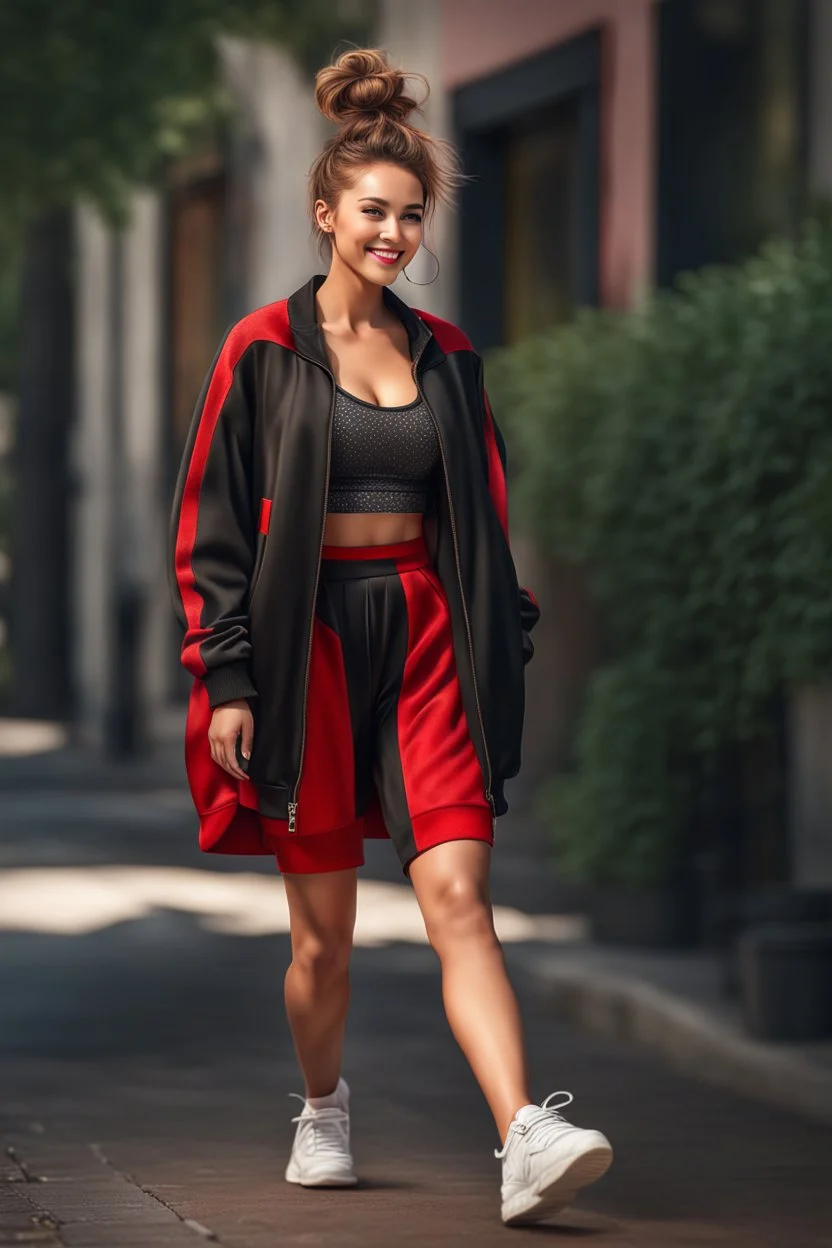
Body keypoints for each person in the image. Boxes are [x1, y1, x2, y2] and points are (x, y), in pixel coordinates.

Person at [168, 45, 613, 1228]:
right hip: (302, 643)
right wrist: (228, 677)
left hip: (424, 640)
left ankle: (524, 1132)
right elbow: (211, 523)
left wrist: (496, 637)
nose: (394, 234)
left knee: (460, 895)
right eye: (374, 212)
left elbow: (486, 511)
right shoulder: (261, 350)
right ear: (326, 214)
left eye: (411, 217)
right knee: (325, 943)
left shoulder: (449, 358)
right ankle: (321, 1109)